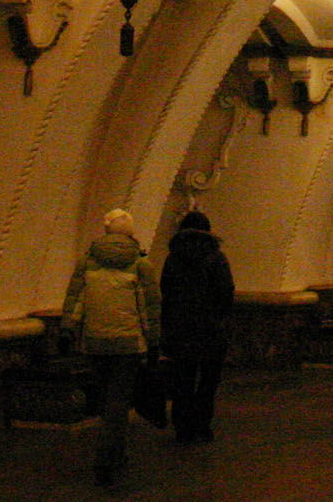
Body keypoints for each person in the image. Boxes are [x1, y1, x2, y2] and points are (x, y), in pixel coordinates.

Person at [60, 208, 160, 486]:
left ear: (106, 231)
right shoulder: (140, 264)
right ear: (130, 232)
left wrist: (67, 328)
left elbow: (75, 298)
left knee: (106, 400)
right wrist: (153, 343)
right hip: (128, 345)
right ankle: (107, 458)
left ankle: (116, 452)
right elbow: (148, 309)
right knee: (118, 403)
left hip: (94, 342)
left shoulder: (87, 262)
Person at [159, 209, 233, 444]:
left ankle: (183, 427)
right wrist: (218, 316)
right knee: (208, 381)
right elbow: (226, 291)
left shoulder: (173, 258)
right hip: (210, 329)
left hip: (180, 329)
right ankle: (202, 425)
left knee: (183, 379)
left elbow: (166, 291)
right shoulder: (216, 257)